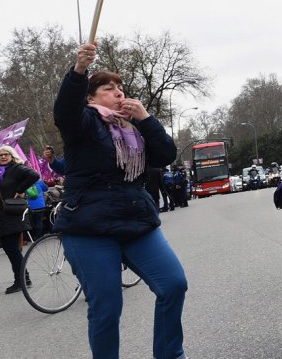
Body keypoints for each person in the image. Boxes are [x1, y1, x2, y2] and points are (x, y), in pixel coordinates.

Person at [53, 41, 187, 359]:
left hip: (135, 220)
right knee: (107, 307)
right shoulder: (82, 123)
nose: (118, 92)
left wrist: (146, 118)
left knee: (173, 284)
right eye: (109, 88)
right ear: (90, 97)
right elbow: (64, 112)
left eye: (121, 88)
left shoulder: (133, 129)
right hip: (88, 226)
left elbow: (165, 154)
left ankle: (170, 354)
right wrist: (79, 71)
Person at [0, 144, 40, 294]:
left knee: (12, 248)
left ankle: (22, 280)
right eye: (1, 155)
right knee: (10, 248)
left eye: (6, 154)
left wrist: (20, 189)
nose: (3, 156)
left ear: (12, 156)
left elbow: (34, 175)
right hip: (2, 213)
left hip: (13, 213)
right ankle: (23, 279)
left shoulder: (16, 168)